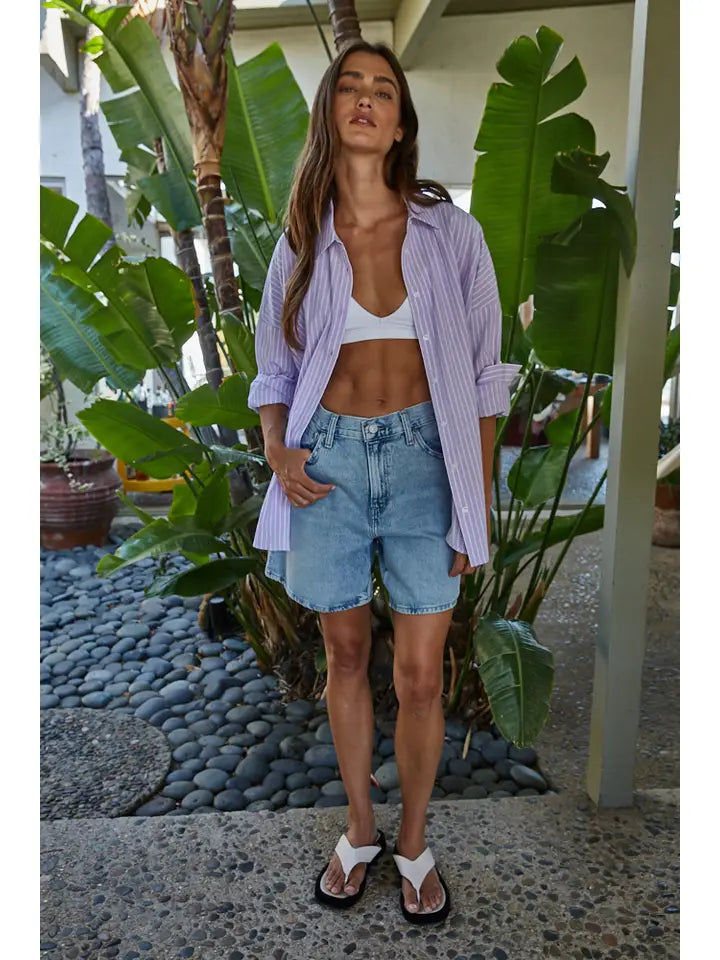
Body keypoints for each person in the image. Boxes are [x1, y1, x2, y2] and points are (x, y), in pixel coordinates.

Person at [247, 39, 520, 925]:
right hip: (324, 464)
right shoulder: (301, 238)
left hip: (424, 464)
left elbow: (484, 378)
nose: (367, 99)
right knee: (345, 656)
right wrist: (278, 449)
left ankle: (414, 842)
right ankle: (360, 830)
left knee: (421, 674)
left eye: (385, 91)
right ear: (331, 112)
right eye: (351, 87)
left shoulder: (452, 234)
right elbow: (274, 370)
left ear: (401, 123)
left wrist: (476, 501)